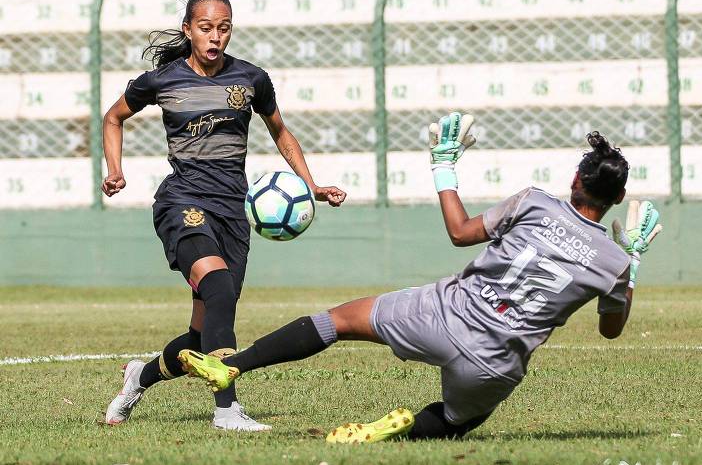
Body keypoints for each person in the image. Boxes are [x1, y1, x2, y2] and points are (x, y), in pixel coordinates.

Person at [179, 113, 662, 442]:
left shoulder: (535, 202)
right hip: (495, 363)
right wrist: (632, 263)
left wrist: (444, 166)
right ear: (618, 201)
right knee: (459, 420)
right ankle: (398, 434)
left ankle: (234, 365)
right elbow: (611, 329)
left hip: (445, 313)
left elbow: (460, 232)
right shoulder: (613, 262)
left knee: (339, 321)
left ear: (575, 181)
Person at [102, 0, 346, 431]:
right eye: (206, 27)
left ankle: (141, 375)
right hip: (183, 202)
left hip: (234, 211)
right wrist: (115, 169)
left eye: (224, 27)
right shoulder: (162, 81)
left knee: (202, 334)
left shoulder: (252, 79)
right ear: (188, 31)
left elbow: (281, 133)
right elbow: (113, 117)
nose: (216, 37)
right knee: (216, 286)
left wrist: (311, 186)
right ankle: (227, 411)